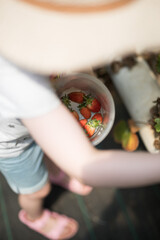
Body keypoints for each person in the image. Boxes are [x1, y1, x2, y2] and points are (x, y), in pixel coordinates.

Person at [1, 55, 160, 240]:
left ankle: (54, 171)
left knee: (48, 150)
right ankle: (34, 217)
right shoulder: (20, 82)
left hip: (31, 121)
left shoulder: (38, 45)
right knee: (37, 190)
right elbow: (85, 165)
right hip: (13, 148)